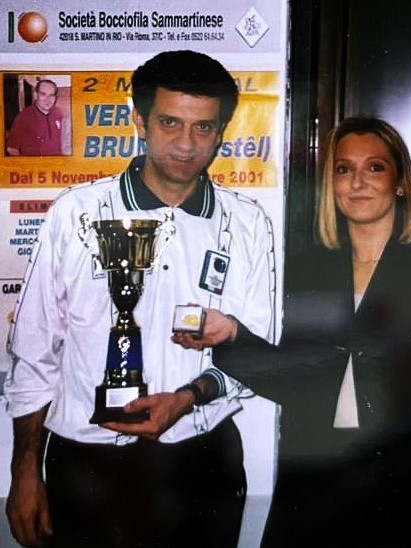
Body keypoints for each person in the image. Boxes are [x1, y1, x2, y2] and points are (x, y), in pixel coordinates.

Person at [4, 50, 276, 548]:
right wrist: (24, 469)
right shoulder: (76, 213)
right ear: (139, 121)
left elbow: (257, 353)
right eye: (170, 123)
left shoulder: (247, 224)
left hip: (202, 460)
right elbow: (36, 352)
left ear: (221, 132)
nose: (186, 144)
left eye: (203, 127)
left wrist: (188, 398)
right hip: (87, 463)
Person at [173, 117, 411, 548]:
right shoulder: (307, 271)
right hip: (317, 493)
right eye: (343, 168)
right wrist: (231, 337)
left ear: (399, 184)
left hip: (405, 494)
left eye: (375, 167)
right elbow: (296, 378)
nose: (357, 181)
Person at [6, 79, 65, 156]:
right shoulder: (24, 116)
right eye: (43, 94)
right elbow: (11, 148)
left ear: (55, 97)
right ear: (35, 95)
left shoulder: (59, 113)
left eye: (51, 95)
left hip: (59, 162)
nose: (47, 100)